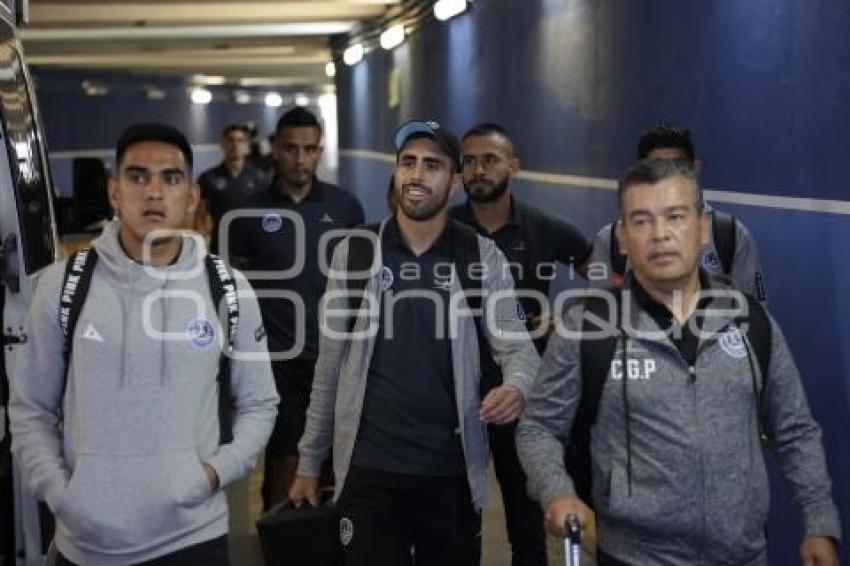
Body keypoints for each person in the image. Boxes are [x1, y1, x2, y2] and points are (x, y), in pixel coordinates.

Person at [516, 158, 841, 565]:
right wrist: (557, 491)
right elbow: (539, 426)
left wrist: (818, 522)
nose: (660, 234)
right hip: (633, 556)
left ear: (702, 228)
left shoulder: (751, 322)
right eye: (641, 220)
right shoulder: (588, 328)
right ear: (622, 238)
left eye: (675, 216)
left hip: (742, 554)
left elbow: (795, 430)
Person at [9, 123, 278, 565]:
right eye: (138, 177)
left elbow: (260, 402)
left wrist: (212, 475)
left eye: (170, 179)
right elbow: (30, 408)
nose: (154, 192)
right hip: (89, 545)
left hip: (194, 538)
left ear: (191, 197)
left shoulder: (228, 289)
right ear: (115, 193)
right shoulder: (62, 287)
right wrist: (61, 495)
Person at [289, 119, 540, 566]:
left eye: (432, 165)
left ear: (455, 180)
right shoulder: (357, 252)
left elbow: (518, 347)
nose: (417, 175)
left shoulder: (480, 258)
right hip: (368, 471)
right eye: (408, 163)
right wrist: (310, 461)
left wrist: (517, 387)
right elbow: (328, 368)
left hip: (451, 473)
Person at [449, 123, 591, 566]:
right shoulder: (444, 230)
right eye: (469, 160)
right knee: (454, 525)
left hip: (523, 396)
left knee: (526, 527)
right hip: (454, 397)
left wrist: (567, 317)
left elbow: (615, 285)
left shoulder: (546, 229)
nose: (478, 169)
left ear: (514, 165)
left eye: (489, 159)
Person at [226, 106, 364, 507]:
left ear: (320, 151)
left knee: (333, 456)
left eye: (309, 150)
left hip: (334, 356)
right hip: (275, 359)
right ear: (274, 149)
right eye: (291, 149)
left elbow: (361, 282)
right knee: (287, 454)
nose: (300, 159)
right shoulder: (246, 213)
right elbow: (230, 288)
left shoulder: (345, 208)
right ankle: (281, 538)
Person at [590, 124, 766, 300]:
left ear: (695, 169)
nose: (668, 180)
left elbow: (752, 317)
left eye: (678, 168)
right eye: (658, 169)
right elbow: (597, 316)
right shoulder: (610, 241)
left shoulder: (731, 236)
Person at [196, 124, 268, 251]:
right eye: (230, 140)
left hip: (254, 253)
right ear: (222, 144)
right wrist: (202, 241)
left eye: (240, 141)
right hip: (220, 250)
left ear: (247, 146)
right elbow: (200, 216)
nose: (235, 145)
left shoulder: (260, 179)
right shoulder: (208, 178)